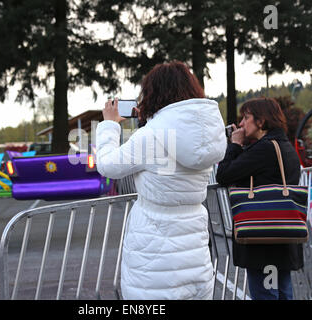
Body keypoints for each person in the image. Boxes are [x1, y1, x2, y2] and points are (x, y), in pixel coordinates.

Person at [95, 61, 227, 300]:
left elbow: (107, 165)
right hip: (195, 247)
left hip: (154, 253)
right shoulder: (206, 136)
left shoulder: (152, 135)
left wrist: (109, 125)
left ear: (153, 92)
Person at [216, 97, 303, 300]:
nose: (242, 123)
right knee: (282, 292)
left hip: (263, 240)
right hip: (282, 235)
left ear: (261, 121)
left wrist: (235, 144)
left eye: (247, 118)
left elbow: (224, 175)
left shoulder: (265, 149)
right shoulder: (284, 146)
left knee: (266, 294)